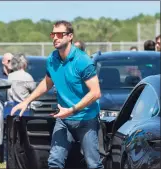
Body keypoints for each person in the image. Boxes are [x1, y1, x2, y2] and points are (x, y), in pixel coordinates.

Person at [10, 20, 103, 169]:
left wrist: (72, 110)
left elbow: (96, 93)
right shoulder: (52, 58)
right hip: (63, 119)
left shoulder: (82, 61)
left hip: (86, 118)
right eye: (53, 34)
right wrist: (26, 101)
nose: (55, 38)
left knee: (93, 164)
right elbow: (47, 83)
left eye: (60, 34)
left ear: (70, 36)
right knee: (54, 161)